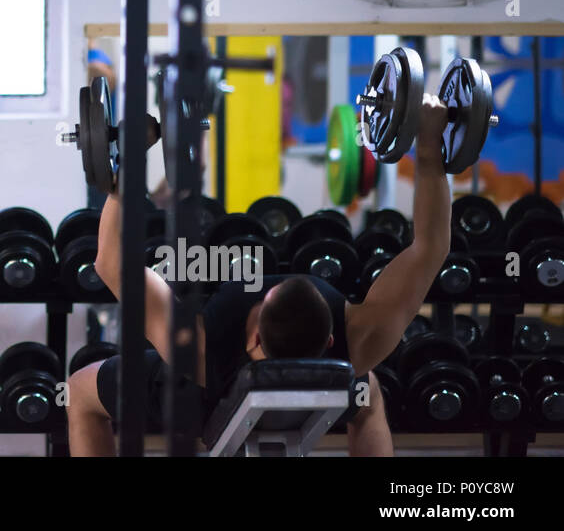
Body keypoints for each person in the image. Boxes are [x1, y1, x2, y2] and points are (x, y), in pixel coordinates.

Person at [68, 94, 454, 457]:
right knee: (367, 394)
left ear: (253, 336)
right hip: (324, 386)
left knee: (79, 390)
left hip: (201, 398)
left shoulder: (200, 349)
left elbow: (111, 263)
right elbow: (431, 247)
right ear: (330, 339)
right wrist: (429, 144)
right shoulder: (362, 339)